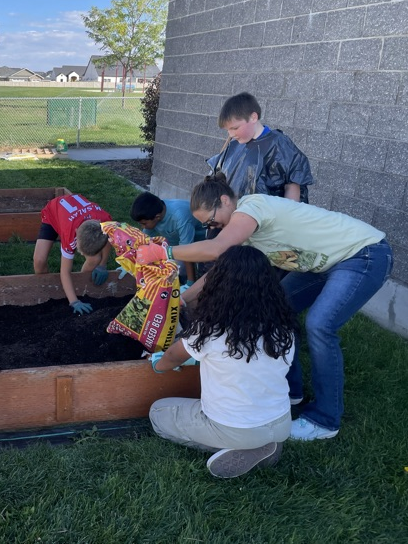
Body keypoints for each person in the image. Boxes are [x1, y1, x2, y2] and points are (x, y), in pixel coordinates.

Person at [137, 173, 393, 441]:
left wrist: (164, 252)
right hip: (322, 263)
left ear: (225, 200)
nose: (213, 227)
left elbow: (216, 248)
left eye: (212, 220)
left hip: (362, 253)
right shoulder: (243, 235)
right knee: (277, 311)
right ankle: (291, 392)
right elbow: (219, 270)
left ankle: (325, 419)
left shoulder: (251, 207)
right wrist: (182, 300)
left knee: (320, 325)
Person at [149, 246, 297, 478]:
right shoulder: (283, 327)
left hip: (234, 428)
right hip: (280, 423)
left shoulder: (210, 328)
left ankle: (241, 448)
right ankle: (264, 446)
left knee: (158, 413)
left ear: (219, 282)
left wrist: (157, 365)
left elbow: (172, 357)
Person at [207, 92, 313, 203]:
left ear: (253, 117)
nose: (231, 134)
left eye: (235, 128)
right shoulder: (233, 146)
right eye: (228, 130)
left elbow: (292, 192)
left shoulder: (279, 145)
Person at [33, 193, 113, 315]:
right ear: (76, 234)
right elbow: (65, 271)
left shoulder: (105, 221)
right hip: (53, 213)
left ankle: (82, 287)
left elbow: (108, 239)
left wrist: (102, 264)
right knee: (39, 261)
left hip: (77, 216)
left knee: (95, 259)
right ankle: (47, 288)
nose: (79, 254)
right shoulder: (69, 233)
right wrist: (73, 302)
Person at [130, 191, 206, 287]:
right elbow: (143, 240)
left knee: (196, 271)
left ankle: (188, 285)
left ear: (157, 217)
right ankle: (179, 283)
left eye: (144, 224)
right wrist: (130, 262)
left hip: (202, 241)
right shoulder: (155, 212)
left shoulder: (180, 217)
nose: (142, 226)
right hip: (180, 242)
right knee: (169, 268)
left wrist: (190, 283)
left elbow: (187, 251)